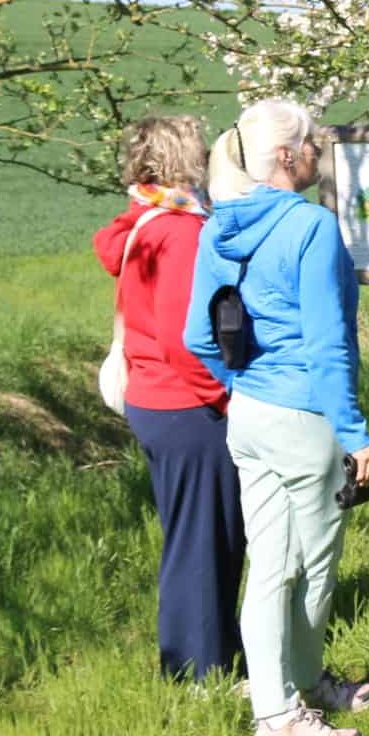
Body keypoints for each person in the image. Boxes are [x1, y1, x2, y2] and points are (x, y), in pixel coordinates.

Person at [185, 100, 369, 736]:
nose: (316, 152)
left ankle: (283, 698)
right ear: (284, 157)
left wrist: (246, 385)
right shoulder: (310, 227)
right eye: (310, 144)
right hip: (305, 419)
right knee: (314, 565)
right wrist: (355, 434)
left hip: (249, 416)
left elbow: (197, 336)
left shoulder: (218, 228)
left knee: (271, 566)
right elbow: (329, 346)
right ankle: (287, 708)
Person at [94, 116, 244, 684]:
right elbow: (189, 339)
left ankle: (209, 655)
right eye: (201, 151)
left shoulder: (143, 220)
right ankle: (197, 672)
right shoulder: (180, 233)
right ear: (185, 159)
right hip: (187, 404)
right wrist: (226, 397)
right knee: (205, 542)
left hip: (155, 400)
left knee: (197, 535)